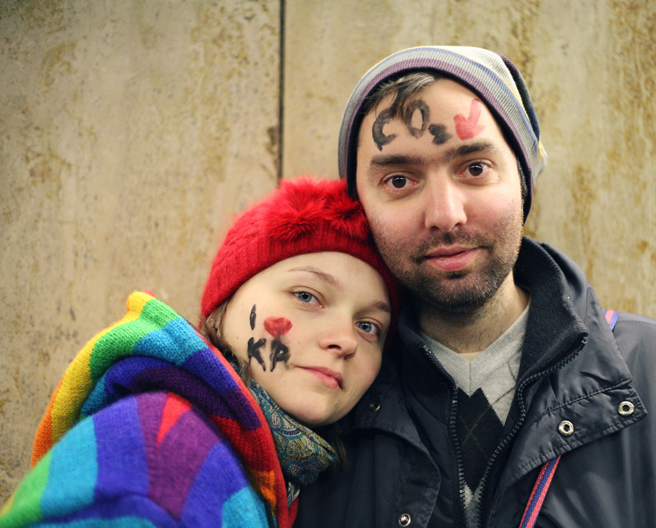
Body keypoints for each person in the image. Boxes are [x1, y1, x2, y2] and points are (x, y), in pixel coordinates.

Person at [294, 46, 656, 527]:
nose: (444, 214)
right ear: (359, 207)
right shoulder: (324, 391)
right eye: (398, 180)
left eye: (474, 168)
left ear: (523, 178)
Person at [0, 177, 400, 528]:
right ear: (224, 304)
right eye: (307, 296)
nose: (346, 340)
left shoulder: (276, 475)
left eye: (369, 327)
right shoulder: (160, 455)